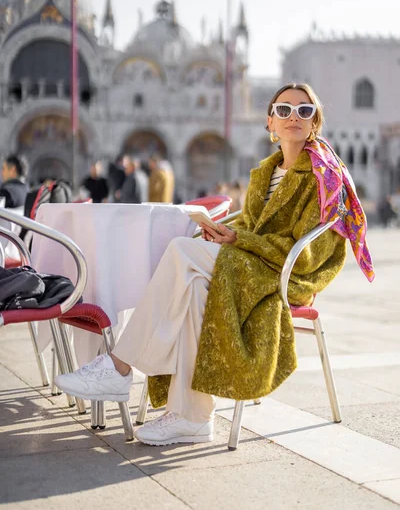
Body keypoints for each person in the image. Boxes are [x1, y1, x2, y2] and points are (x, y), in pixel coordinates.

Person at [55, 83, 374, 447]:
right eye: (284, 110)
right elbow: (253, 227)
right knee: (191, 284)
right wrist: (221, 231)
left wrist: (239, 240)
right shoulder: (265, 173)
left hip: (285, 274)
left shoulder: (325, 176)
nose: (293, 118)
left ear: (315, 120)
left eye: (304, 110)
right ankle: (193, 418)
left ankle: (119, 366)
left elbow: (310, 255)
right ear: (270, 120)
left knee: (180, 251)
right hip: (250, 262)